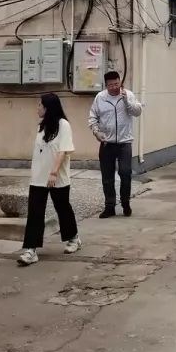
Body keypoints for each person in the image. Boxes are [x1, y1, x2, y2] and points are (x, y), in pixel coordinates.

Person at [18, 93, 80, 266]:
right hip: (38, 178)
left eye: (40, 105)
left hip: (57, 177)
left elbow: (63, 150)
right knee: (35, 213)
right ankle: (30, 250)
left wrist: (53, 172)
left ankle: (73, 238)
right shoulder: (41, 126)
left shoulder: (63, 125)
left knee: (62, 208)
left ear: (48, 107)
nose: (37, 108)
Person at [88, 70, 143, 218]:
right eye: (111, 85)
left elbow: (137, 112)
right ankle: (109, 206)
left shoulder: (128, 95)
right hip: (107, 143)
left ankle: (125, 203)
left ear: (120, 82)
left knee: (125, 173)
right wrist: (96, 132)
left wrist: (126, 101)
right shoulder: (100, 98)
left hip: (125, 143)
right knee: (107, 177)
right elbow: (92, 117)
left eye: (116, 84)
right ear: (106, 85)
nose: (114, 87)